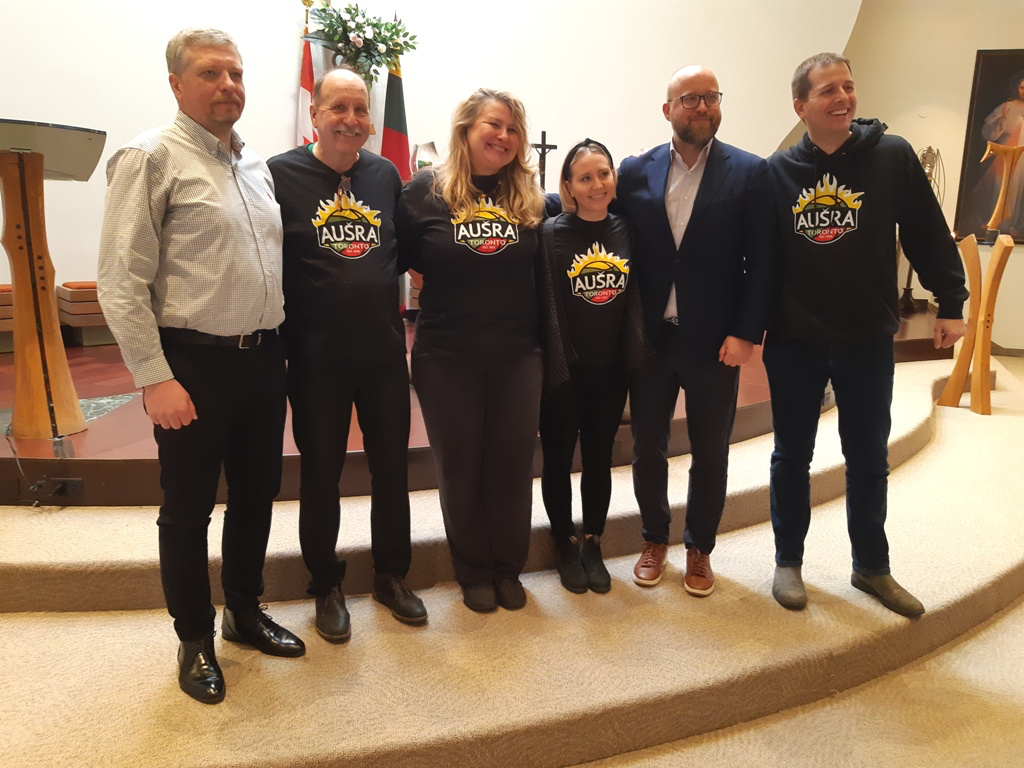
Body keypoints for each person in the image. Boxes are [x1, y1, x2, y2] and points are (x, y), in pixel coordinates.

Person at [97, 28, 304, 705]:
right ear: (176, 84)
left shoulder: (255, 166)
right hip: (191, 364)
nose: (228, 86)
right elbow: (121, 279)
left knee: (256, 494)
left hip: (261, 357)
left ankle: (243, 610)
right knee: (188, 509)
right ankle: (194, 639)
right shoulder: (151, 156)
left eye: (236, 74)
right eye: (211, 73)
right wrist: (154, 376)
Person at [765, 52, 968, 617]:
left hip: (866, 338)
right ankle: (787, 561)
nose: (842, 98)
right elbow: (762, 258)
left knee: (868, 458)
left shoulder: (892, 156)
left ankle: (871, 566)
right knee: (791, 456)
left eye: (848, 87)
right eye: (827, 90)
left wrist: (951, 301)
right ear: (801, 106)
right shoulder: (777, 172)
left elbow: (927, 231)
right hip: (796, 339)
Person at [267, 67, 426, 642]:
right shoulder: (279, 175)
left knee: (392, 472)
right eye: (339, 108)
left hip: (383, 355)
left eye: (361, 110)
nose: (352, 120)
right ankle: (325, 586)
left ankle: (391, 575)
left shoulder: (385, 175)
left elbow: (403, 252)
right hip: (317, 360)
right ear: (315, 113)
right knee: (320, 477)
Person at [616, 65, 777, 596]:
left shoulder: (749, 171)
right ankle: (653, 538)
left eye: (711, 96)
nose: (702, 106)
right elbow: (603, 225)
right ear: (668, 110)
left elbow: (763, 261)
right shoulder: (634, 171)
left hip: (715, 341)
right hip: (651, 339)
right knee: (648, 447)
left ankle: (699, 547)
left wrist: (746, 332)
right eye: (690, 98)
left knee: (711, 451)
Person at [396, 88, 546, 613]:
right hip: (446, 355)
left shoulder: (527, 196)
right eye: (493, 125)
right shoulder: (424, 192)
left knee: (511, 466)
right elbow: (401, 261)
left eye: (512, 129)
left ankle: (508, 567)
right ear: (466, 129)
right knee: (460, 467)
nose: (503, 137)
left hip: (518, 354)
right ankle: (474, 570)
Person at [537, 139, 647, 594]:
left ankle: (593, 541)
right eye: (585, 177)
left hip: (610, 373)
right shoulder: (550, 234)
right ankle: (564, 542)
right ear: (568, 187)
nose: (597, 184)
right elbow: (542, 305)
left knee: (600, 459)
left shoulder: (628, 230)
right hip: (564, 372)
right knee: (559, 460)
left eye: (604, 174)